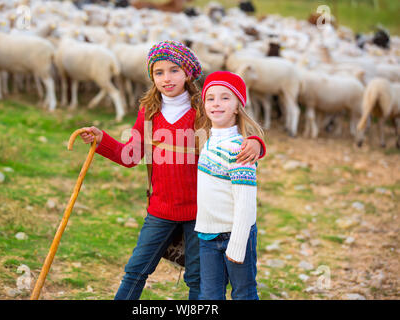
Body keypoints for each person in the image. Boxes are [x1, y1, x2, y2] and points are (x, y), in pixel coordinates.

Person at [79, 40, 266, 300]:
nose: (167, 78)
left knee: (198, 279)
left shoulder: (203, 109)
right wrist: (102, 140)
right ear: (152, 76)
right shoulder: (149, 112)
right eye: (159, 72)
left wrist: (256, 143)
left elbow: (235, 132)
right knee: (136, 269)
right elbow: (130, 155)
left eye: (174, 70)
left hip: (199, 213)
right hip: (161, 209)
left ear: (188, 73)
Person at [195, 71, 262, 300]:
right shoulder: (209, 141)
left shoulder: (238, 149)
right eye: (210, 98)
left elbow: (245, 203)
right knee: (209, 297)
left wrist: (237, 243)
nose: (216, 103)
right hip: (207, 235)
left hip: (234, 234)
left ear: (237, 107)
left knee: (243, 293)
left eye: (225, 98)